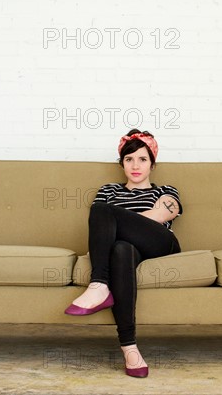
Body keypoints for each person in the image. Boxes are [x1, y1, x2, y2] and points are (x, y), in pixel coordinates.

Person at [64, 129, 183, 378]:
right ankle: (130, 349)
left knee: (104, 214)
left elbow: (162, 215)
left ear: (152, 164)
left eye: (142, 159)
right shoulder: (109, 191)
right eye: (129, 160)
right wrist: (113, 240)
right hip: (128, 252)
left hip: (159, 244)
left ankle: (98, 285)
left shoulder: (164, 191)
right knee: (120, 249)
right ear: (122, 164)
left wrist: (109, 233)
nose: (135, 165)